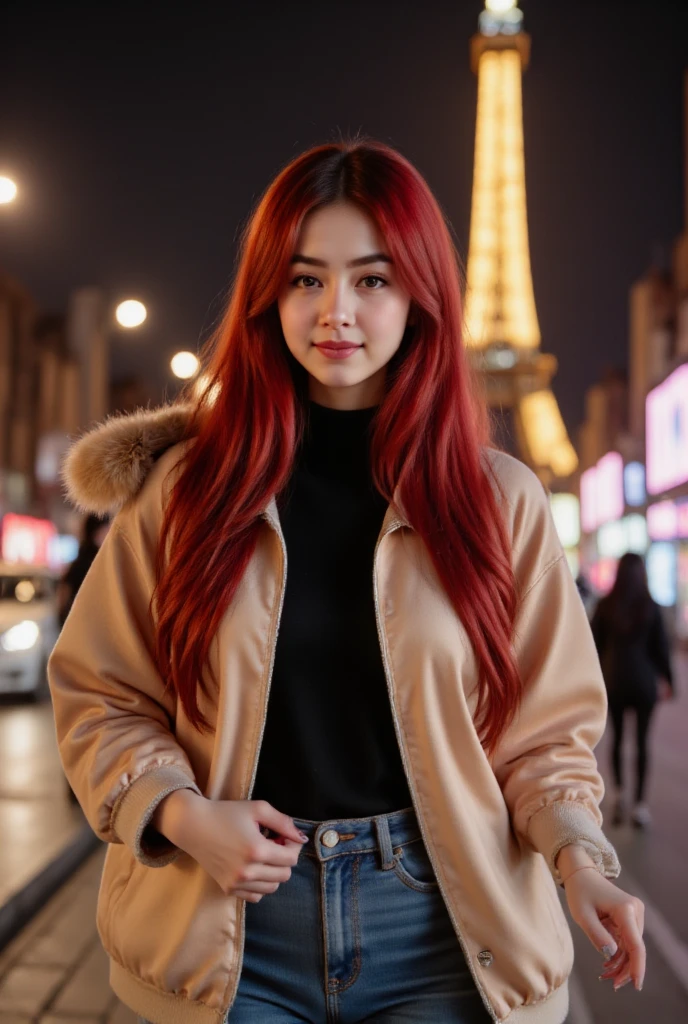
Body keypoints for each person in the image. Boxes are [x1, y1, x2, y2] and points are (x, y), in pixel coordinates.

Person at [48, 140, 646, 1024]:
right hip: (226, 928)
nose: (337, 312)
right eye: (304, 280)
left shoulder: (501, 502)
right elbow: (100, 693)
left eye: (372, 280)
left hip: (440, 925)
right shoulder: (183, 493)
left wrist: (580, 858)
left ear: (421, 296)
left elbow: (543, 735)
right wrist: (180, 814)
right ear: (267, 296)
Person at [591, 552, 674, 829]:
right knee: (641, 742)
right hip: (643, 684)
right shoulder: (650, 607)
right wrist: (669, 681)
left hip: (613, 681)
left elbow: (594, 647)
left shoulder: (604, 606)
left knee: (616, 739)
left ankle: (617, 795)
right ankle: (640, 805)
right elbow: (661, 649)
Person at [56, 512, 110, 627]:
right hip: (87, 623)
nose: (107, 535)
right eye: (105, 530)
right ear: (95, 532)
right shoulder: (91, 562)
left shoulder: (83, 560)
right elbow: (65, 592)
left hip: (80, 624)